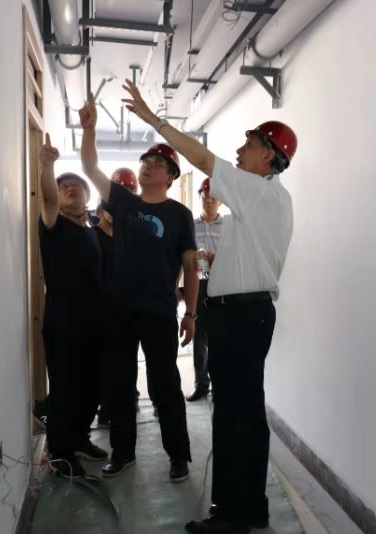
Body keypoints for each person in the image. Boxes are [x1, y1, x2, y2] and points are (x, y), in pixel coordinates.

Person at [122, 80, 297, 533]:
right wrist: (220, 263)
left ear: (269, 157)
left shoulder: (259, 191)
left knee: (237, 416)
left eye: (249, 144)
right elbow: (257, 259)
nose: (239, 150)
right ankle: (245, 508)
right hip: (242, 315)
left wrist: (155, 120)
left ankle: (235, 515)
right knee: (241, 414)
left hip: (242, 317)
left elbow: (202, 159)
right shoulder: (267, 200)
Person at [79, 92, 199, 483]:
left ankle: (178, 455)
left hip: (159, 311)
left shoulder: (179, 215)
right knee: (120, 383)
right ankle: (123, 452)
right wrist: (89, 129)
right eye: (145, 162)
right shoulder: (123, 201)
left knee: (165, 385)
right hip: (119, 310)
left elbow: (190, 266)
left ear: (170, 176)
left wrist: (191, 313)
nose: (147, 167)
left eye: (157, 164)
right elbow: (90, 166)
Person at [38, 134, 109, 481]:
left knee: (91, 386)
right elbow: (48, 198)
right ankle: (61, 455)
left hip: (94, 323)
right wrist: (47, 166)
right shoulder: (53, 224)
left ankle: (80, 439)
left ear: (87, 196)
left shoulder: (92, 230)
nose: (69, 188)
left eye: (76, 185)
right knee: (65, 390)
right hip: (63, 323)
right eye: (63, 185)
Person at [95, 168, 138, 427]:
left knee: (128, 360)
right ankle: (106, 406)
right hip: (102, 310)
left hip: (127, 309)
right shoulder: (93, 235)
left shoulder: (130, 235)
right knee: (105, 360)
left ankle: (127, 401)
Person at [186, 178, 224, 402]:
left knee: (219, 337)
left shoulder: (228, 227)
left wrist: (213, 257)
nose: (209, 200)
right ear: (199, 196)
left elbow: (234, 255)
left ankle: (219, 383)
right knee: (198, 337)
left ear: (221, 201)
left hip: (221, 285)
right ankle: (201, 384)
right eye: (205, 195)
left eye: (214, 196)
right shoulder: (190, 225)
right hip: (197, 284)